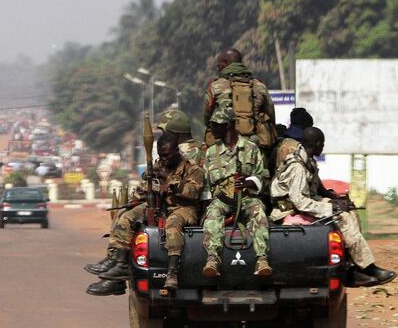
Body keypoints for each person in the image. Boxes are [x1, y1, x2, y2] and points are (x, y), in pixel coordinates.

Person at [270, 127, 397, 286]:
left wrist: (335, 199)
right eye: (322, 144)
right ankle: (368, 268)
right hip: (289, 209)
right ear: (317, 144)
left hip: (305, 203)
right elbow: (299, 201)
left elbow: (317, 189)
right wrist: (331, 208)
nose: (323, 147)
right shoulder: (297, 167)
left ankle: (354, 267)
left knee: (349, 211)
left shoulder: (308, 161)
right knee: (342, 217)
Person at [87, 132, 204, 294]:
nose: (164, 159)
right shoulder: (158, 166)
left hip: (184, 208)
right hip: (160, 205)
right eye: (161, 156)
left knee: (173, 223)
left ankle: (171, 273)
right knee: (126, 216)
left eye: (167, 155)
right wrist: (137, 196)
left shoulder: (192, 168)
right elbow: (143, 190)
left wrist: (167, 179)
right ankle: (118, 263)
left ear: (177, 152)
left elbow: (191, 193)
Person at [201, 107, 272, 278]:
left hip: (246, 198)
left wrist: (249, 182)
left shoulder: (251, 149)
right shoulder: (211, 152)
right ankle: (212, 259)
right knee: (213, 216)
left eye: (216, 125)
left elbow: (262, 177)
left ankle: (262, 259)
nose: (211, 130)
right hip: (222, 199)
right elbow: (206, 186)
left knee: (259, 212)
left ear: (228, 126)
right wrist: (203, 209)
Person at [203, 48, 276, 149]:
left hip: (223, 149)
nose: (218, 69)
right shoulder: (260, 86)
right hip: (255, 146)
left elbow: (207, 119)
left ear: (227, 63)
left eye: (219, 66)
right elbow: (271, 116)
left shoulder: (215, 87)